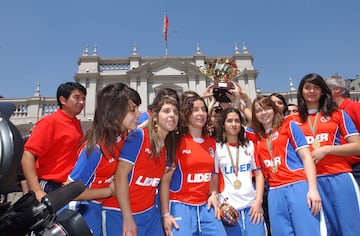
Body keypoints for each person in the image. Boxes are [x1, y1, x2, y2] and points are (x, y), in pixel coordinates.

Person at [65, 83, 141, 235]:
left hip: (100, 210)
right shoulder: (95, 149)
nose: (138, 114)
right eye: (133, 110)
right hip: (82, 214)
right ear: (115, 113)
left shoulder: (122, 137)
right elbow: (70, 191)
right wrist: (109, 191)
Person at [292, 73, 360, 236]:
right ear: (301, 91)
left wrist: (327, 149)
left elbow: (357, 146)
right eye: (307, 87)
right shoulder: (292, 121)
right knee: (322, 231)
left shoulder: (337, 114)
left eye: (316, 87)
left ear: (323, 91)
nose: (312, 91)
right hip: (309, 183)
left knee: (351, 228)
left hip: (339, 177)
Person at [248, 96, 323, 236]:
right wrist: (238, 100)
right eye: (258, 111)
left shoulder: (288, 126)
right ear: (255, 115)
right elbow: (234, 126)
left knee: (308, 232)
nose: (263, 113)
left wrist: (313, 189)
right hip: (274, 191)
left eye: (267, 108)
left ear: (274, 109)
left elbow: (307, 157)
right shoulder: (256, 136)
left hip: (297, 185)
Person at [112, 94, 180, 236]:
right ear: (155, 117)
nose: (172, 115)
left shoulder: (169, 147)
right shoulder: (140, 137)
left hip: (149, 213)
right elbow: (120, 176)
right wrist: (128, 216)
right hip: (121, 212)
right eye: (166, 111)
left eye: (175, 112)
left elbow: (164, 183)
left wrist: (166, 214)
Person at [160, 94, 227, 236]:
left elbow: (214, 173)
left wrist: (213, 194)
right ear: (186, 114)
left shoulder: (211, 142)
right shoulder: (176, 141)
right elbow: (165, 181)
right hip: (180, 206)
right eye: (195, 110)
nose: (201, 113)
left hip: (206, 206)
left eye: (203, 109)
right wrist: (166, 214)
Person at [21, 82, 86, 201]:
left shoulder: (75, 124)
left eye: (83, 99)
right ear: (63, 100)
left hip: (68, 186)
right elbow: (28, 155)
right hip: (50, 185)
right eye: (77, 98)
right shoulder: (50, 122)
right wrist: (36, 190)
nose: (81, 102)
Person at [215, 107, 266, 236]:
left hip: (252, 207)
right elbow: (214, 177)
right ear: (223, 124)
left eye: (237, 121)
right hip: (229, 210)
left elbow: (259, 174)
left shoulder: (249, 146)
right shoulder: (217, 148)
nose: (234, 124)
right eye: (229, 121)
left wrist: (258, 201)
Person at [325, 74, 360, 186]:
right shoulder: (333, 113)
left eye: (325, 90)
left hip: (356, 165)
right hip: (343, 167)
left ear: (337, 90)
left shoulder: (355, 107)